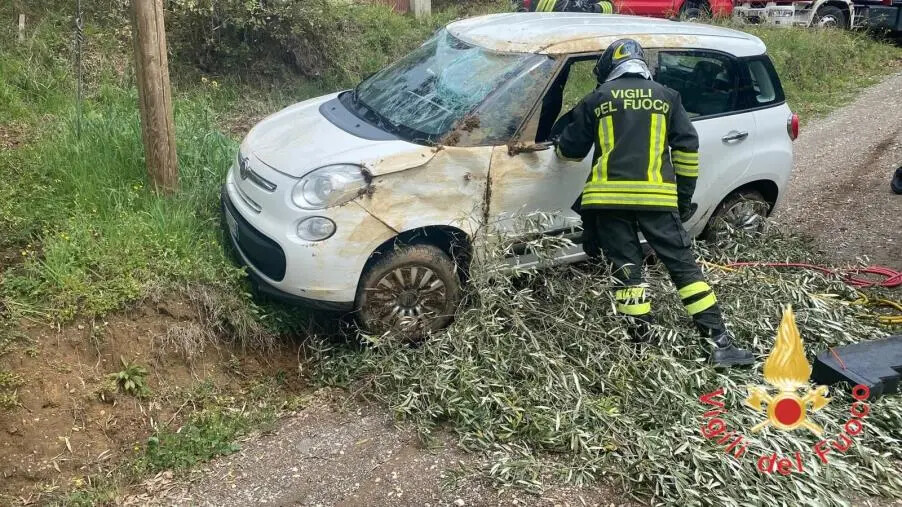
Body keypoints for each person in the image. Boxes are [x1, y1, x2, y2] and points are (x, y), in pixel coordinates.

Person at [553, 39, 754, 367]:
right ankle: (719, 344)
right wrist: (682, 199)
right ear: (642, 66)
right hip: (657, 201)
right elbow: (687, 150)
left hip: (607, 201)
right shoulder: (668, 97)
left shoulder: (597, 98)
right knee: (683, 267)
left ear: (608, 68)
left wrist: (561, 144)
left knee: (627, 271)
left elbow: (570, 151)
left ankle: (639, 347)